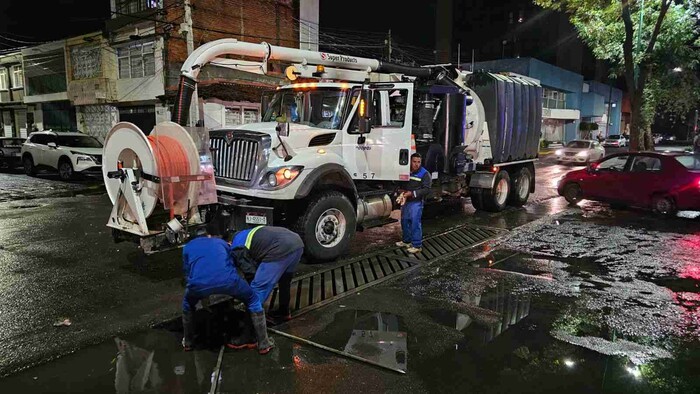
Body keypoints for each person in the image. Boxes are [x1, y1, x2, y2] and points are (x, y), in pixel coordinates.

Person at [181, 215, 274, 355]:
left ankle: (188, 343)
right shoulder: (220, 243)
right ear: (209, 235)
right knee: (253, 300)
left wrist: (197, 291)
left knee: (187, 305)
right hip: (229, 281)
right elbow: (233, 263)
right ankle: (264, 344)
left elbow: (187, 273)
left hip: (198, 285)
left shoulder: (187, 248)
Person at [230, 226, 304, 327]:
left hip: (280, 248)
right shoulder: (248, 233)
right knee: (284, 282)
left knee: (258, 289)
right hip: (297, 244)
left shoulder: (236, 245)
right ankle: (284, 312)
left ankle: (249, 335)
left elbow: (250, 273)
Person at [395, 153, 431, 254]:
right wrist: (400, 191)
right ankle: (406, 241)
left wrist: (412, 193)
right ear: (410, 162)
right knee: (404, 221)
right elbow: (401, 183)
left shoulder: (424, 174)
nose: (416, 164)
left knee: (415, 222)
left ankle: (417, 245)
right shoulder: (407, 172)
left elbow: (427, 189)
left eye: (418, 162)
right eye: (414, 162)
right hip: (406, 201)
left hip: (416, 202)